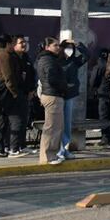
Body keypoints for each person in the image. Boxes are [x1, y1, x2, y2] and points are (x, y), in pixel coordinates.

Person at [0, 35, 24, 158]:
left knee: (1, 121)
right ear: (7, 44)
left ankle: (0, 150)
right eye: (11, 43)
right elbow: (8, 77)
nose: (12, 46)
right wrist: (15, 93)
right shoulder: (4, 55)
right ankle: (14, 149)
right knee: (16, 119)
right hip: (5, 94)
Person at [36, 37, 68, 165]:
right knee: (52, 127)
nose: (58, 48)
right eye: (55, 45)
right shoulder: (48, 60)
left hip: (53, 94)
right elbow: (51, 78)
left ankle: (51, 154)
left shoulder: (50, 59)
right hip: (52, 95)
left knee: (56, 126)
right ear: (47, 47)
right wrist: (63, 87)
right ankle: (48, 156)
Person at [57, 40, 87, 160]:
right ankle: (59, 150)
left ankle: (64, 149)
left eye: (71, 48)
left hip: (69, 95)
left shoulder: (73, 61)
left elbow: (86, 55)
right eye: (66, 48)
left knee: (67, 124)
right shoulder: (56, 61)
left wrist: (77, 44)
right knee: (58, 124)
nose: (69, 50)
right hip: (58, 95)